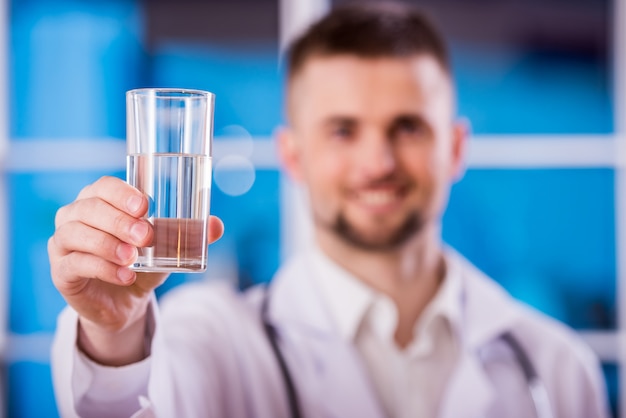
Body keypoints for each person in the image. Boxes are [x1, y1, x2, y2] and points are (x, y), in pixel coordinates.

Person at [49, 2, 609, 417]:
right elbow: (132, 405)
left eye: (407, 127)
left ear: (456, 148)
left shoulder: (556, 367)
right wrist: (112, 336)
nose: (378, 161)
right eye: (343, 130)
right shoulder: (219, 337)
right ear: (293, 155)